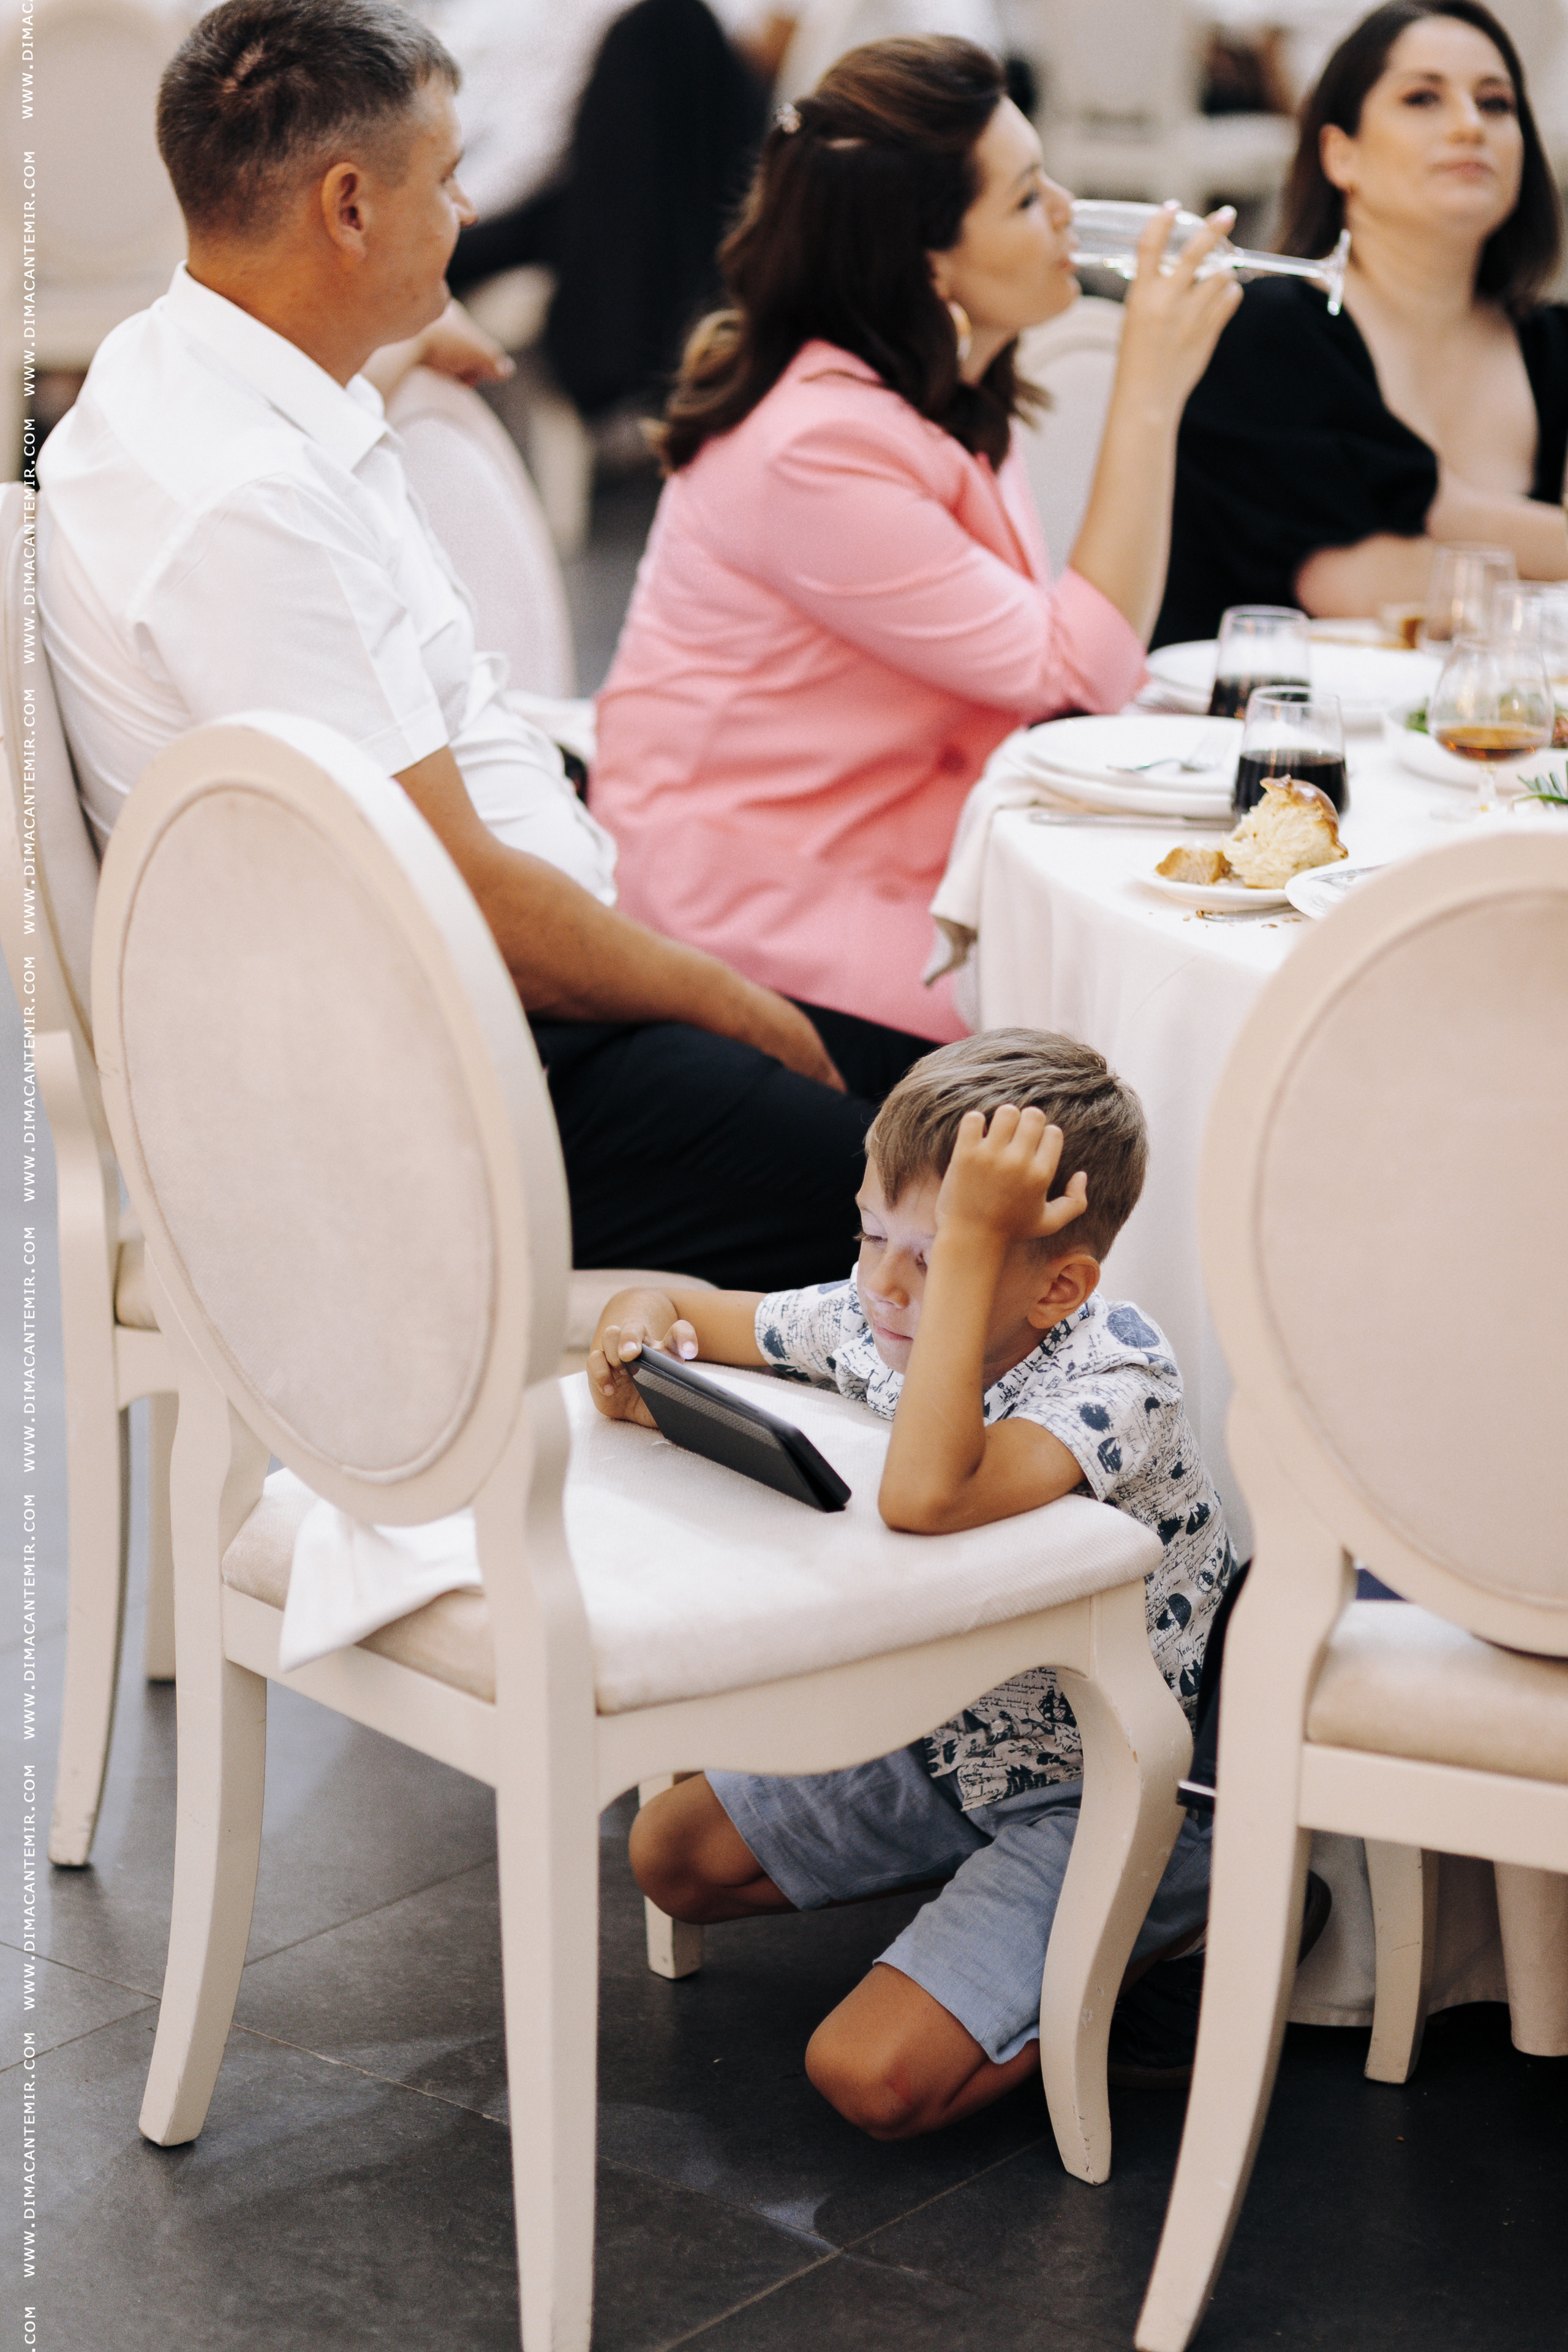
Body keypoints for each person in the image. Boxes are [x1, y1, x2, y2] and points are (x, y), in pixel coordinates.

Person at [36, 0, 886, 1294]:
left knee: (950, 1087)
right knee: (957, 1186)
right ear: (348, 209)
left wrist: (375, 352)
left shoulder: (162, 373)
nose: (469, 213)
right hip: (448, 1082)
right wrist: (722, 1000)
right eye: (446, 179)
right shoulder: (250, 505)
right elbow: (471, 902)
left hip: (468, 1004)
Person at [587, 1031, 1237, 2133]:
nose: (881, 1284)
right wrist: (637, 1331)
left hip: (1109, 1784)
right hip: (946, 1738)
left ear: (1058, 1284)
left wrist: (977, 1245)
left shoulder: (1118, 1379)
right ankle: (983, 1909)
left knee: (870, 2080)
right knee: (669, 1856)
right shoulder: (874, 1315)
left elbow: (930, 1495)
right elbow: (690, 1309)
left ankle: (1176, 1907)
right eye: (869, 1233)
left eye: (936, 1258)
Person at [590, 37, 1242, 1064]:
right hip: (757, 919)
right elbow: (1075, 679)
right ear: (930, 257)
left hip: (897, 863)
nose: (1067, 212)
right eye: (1028, 199)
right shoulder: (820, 447)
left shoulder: (931, 388)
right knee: (1123, 1048)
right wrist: (1150, 391)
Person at [1155, 0, 1568, 646]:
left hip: (1495, 729)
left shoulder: (1551, 345)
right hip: (1257, 729)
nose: (1468, 126)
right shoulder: (1270, 331)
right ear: (1340, 155)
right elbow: (1365, 588)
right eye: (1422, 99)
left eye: (1495, 104)